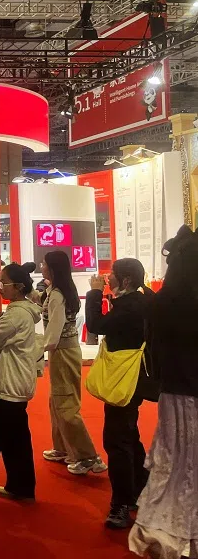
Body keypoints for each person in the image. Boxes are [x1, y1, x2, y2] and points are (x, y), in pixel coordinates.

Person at [130, 226, 198, 559]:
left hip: (180, 390)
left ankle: (175, 530)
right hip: (182, 388)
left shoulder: (167, 303)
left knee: (179, 458)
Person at [85, 258, 154, 530]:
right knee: (128, 433)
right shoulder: (145, 300)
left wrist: (93, 292)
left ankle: (121, 503)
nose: (106, 278)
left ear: (125, 280)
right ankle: (140, 487)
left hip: (125, 378)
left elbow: (96, 325)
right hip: (134, 376)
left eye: (112, 275)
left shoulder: (130, 306)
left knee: (116, 441)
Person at [40, 251, 106, 475]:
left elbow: (53, 334)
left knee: (66, 404)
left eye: (44, 264)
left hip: (64, 351)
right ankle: (63, 448)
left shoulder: (58, 295)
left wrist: (34, 350)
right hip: (63, 351)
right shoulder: (55, 291)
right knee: (56, 400)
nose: (41, 267)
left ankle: (88, 456)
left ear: (53, 268)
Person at [0, 262, 41, 503]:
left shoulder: (15, 316)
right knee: (17, 440)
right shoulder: (22, 312)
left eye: (3, 283)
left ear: (18, 287)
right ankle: (22, 486)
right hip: (17, 383)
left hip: (8, 386)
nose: (0, 287)